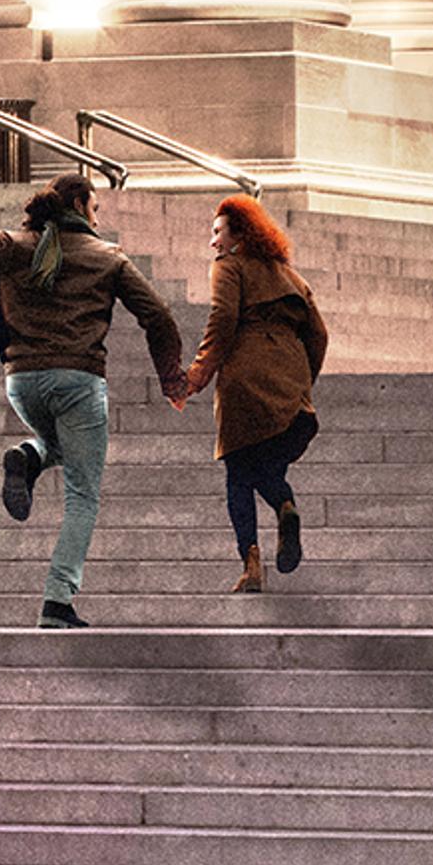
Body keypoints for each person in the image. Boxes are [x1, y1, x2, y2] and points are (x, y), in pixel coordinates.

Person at [0, 174, 187, 629]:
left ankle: (31, 455)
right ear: (78, 204)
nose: (98, 219)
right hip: (78, 381)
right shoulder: (108, 257)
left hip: (22, 383)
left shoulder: (10, 246)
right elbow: (158, 315)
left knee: (62, 446)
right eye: (95, 208)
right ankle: (58, 600)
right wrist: (172, 379)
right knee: (82, 493)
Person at [170, 192, 330, 596]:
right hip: (290, 388)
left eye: (218, 232)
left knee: (239, 474)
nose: (213, 242)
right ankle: (285, 506)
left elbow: (222, 320)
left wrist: (195, 377)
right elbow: (319, 335)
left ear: (239, 235)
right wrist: (302, 381)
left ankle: (252, 565)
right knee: (264, 468)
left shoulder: (229, 266)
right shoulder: (292, 277)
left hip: (245, 380)